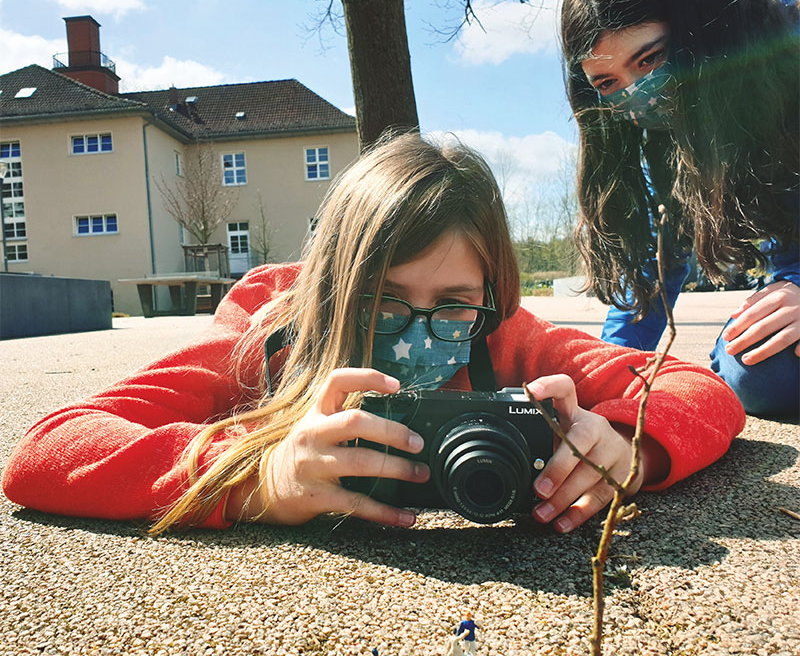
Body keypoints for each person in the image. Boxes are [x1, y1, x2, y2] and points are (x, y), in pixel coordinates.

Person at [2, 134, 745, 535]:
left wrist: (629, 448)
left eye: (453, 303)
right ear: (334, 292)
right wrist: (256, 476)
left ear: (492, 294)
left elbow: (699, 387)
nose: (421, 333)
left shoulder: (504, 335)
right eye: (383, 301)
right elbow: (45, 449)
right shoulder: (274, 330)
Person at [560, 0, 800, 416]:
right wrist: (602, 378)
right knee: (758, 370)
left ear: (699, 26)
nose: (640, 95)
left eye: (650, 59)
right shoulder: (672, 143)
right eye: (609, 83)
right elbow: (655, 272)